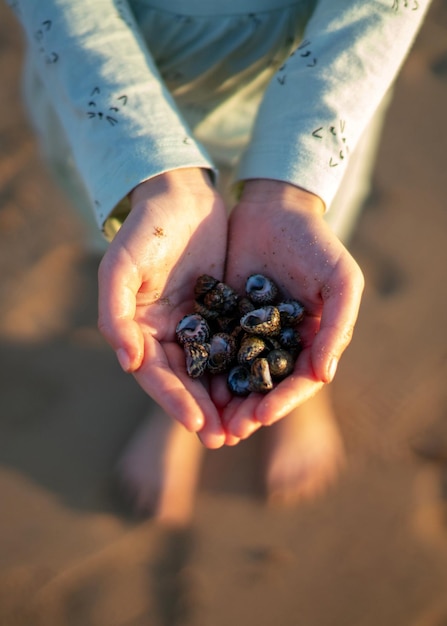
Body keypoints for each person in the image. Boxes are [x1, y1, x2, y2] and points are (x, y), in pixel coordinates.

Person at [9, 0, 430, 524]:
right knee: (146, 259)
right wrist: (160, 181)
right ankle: (181, 415)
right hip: (113, 115)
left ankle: (293, 385)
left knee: (309, 252)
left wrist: (290, 191)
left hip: (314, 107)